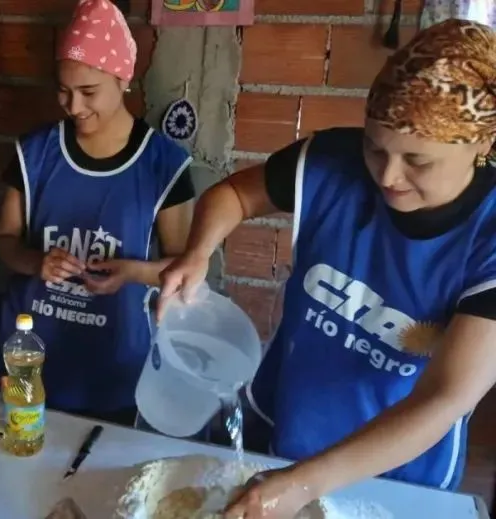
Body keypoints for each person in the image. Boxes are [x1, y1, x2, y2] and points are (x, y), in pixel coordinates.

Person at [157, 19, 496, 518]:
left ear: (482, 145)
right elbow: (232, 194)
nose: (388, 175)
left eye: (417, 161)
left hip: (398, 470)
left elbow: (446, 398)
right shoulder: (331, 161)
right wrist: (197, 252)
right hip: (285, 421)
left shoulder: (487, 236)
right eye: (375, 147)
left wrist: (300, 487)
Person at [0, 0, 195, 425]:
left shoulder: (163, 164)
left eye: (88, 92)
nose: (73, 106)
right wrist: (36, 262)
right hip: (31, 356)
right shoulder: (33, 153)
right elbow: (5, 242)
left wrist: (132, 272)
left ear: (123, 79)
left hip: (115, 364)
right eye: (63, 91)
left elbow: (184, 269)